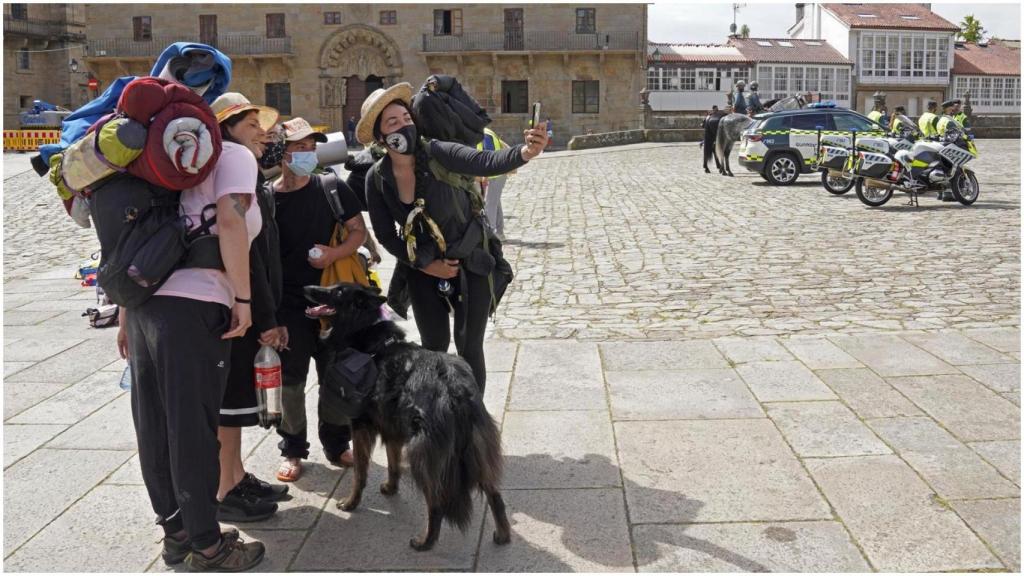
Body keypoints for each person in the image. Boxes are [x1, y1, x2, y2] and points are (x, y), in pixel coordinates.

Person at [118, 92, 267, 570]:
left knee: (155, 425)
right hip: (197, 303)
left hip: (144, 303)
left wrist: (125, 311)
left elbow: (130, 236)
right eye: (252, 121)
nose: (261, 131)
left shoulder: (154, 164)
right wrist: (243, 300)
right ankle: (208, 544)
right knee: (194, 428)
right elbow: (231, 221)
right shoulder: (233, 156)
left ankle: (177, 532)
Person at [359, 83, 548, 392]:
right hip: (422, 266)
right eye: (392, 123)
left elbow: (485, 162)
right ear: (381, 137)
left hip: (471, 259)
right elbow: (384, 233)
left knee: (468, 344)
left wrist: (526, 151)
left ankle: (473, 427)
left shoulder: (437, 151)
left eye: (407, 118)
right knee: (434, 345)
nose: (403, 125)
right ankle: (440, 417)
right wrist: (424, 264)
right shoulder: (376, 178)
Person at [272, 117, 367, 483]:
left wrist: (333, 254)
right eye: (300, 148)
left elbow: (358, 232)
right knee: (291, 382)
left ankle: (336, 443)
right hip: (290, 305)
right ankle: (293, 449)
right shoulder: (267, 197)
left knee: (337, 378)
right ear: (283, 152)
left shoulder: (331, 187)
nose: (308, 154)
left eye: (312, 148)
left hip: (334, 302)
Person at [210, 95, 290, 522]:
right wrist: (263, 313)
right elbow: (248, 253)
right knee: (231, 402)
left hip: (248, 299)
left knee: (239, 399)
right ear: (226, 132)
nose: (264, 132)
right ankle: (224, 488)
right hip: (236, 302)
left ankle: (236, 475)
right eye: (250, 125)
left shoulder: (248, 174)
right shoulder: (236, 173)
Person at [477, 127, 511, 240]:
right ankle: (500, 233)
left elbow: (488, 155)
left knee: (490, 204)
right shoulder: (487, 132)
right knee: (495, 202)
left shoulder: (484, 134)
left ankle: (490, 234)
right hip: (498, 172)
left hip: (495, 174)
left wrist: (485, 175)